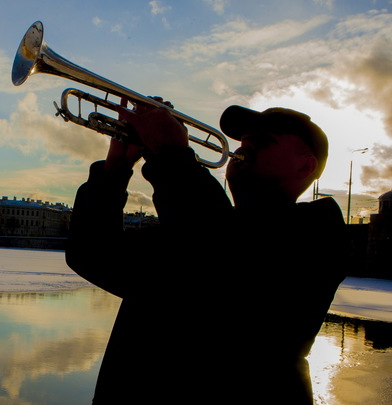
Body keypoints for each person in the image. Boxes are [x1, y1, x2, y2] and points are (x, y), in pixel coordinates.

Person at [65, 101, 351, 404]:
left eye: (263, 142)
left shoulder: (317, 235)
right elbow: (92, 254)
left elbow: (221, 257)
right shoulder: (195, 231)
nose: (244, 148)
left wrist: (172, 155)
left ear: (305, 166)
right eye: (245, 141)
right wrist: (113, 172)